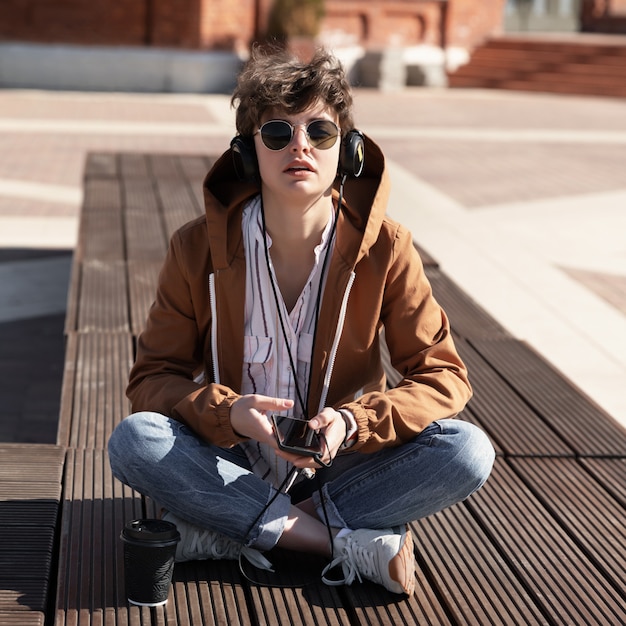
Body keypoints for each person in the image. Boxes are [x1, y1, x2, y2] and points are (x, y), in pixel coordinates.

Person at [108, 46, 495, 596]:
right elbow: (151, 381)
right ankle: (335, 542)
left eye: (320, 132)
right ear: (247, 152)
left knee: (467, 450)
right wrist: (230, 413)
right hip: (231, 460)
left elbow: (444, 376)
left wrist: (352, 423)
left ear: (349, 150)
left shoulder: (387, 249)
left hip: (341, 469)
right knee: (134, 440)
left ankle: (236, 530)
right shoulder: (196, 248)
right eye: (277, 134)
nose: (300, 147)